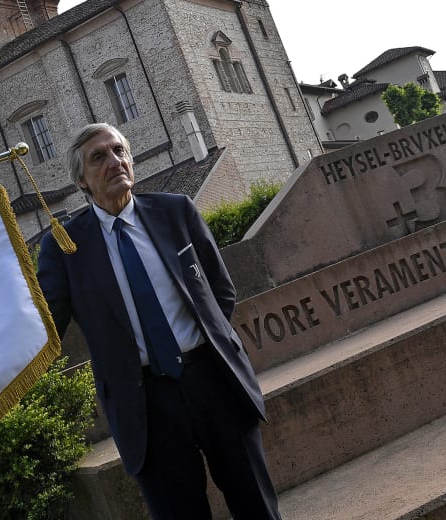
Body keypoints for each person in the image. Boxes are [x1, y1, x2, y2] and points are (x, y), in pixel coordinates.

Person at [37, 123, 280, 520]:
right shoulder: (65, 245)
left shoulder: (175, 210)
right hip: (145, 404)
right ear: (81, 179)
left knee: (256, 506)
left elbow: (220, 291)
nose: (114, 161)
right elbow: (47, 325)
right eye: (99, 157)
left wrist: (210, 345)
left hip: (214, 381)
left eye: (119, 151)